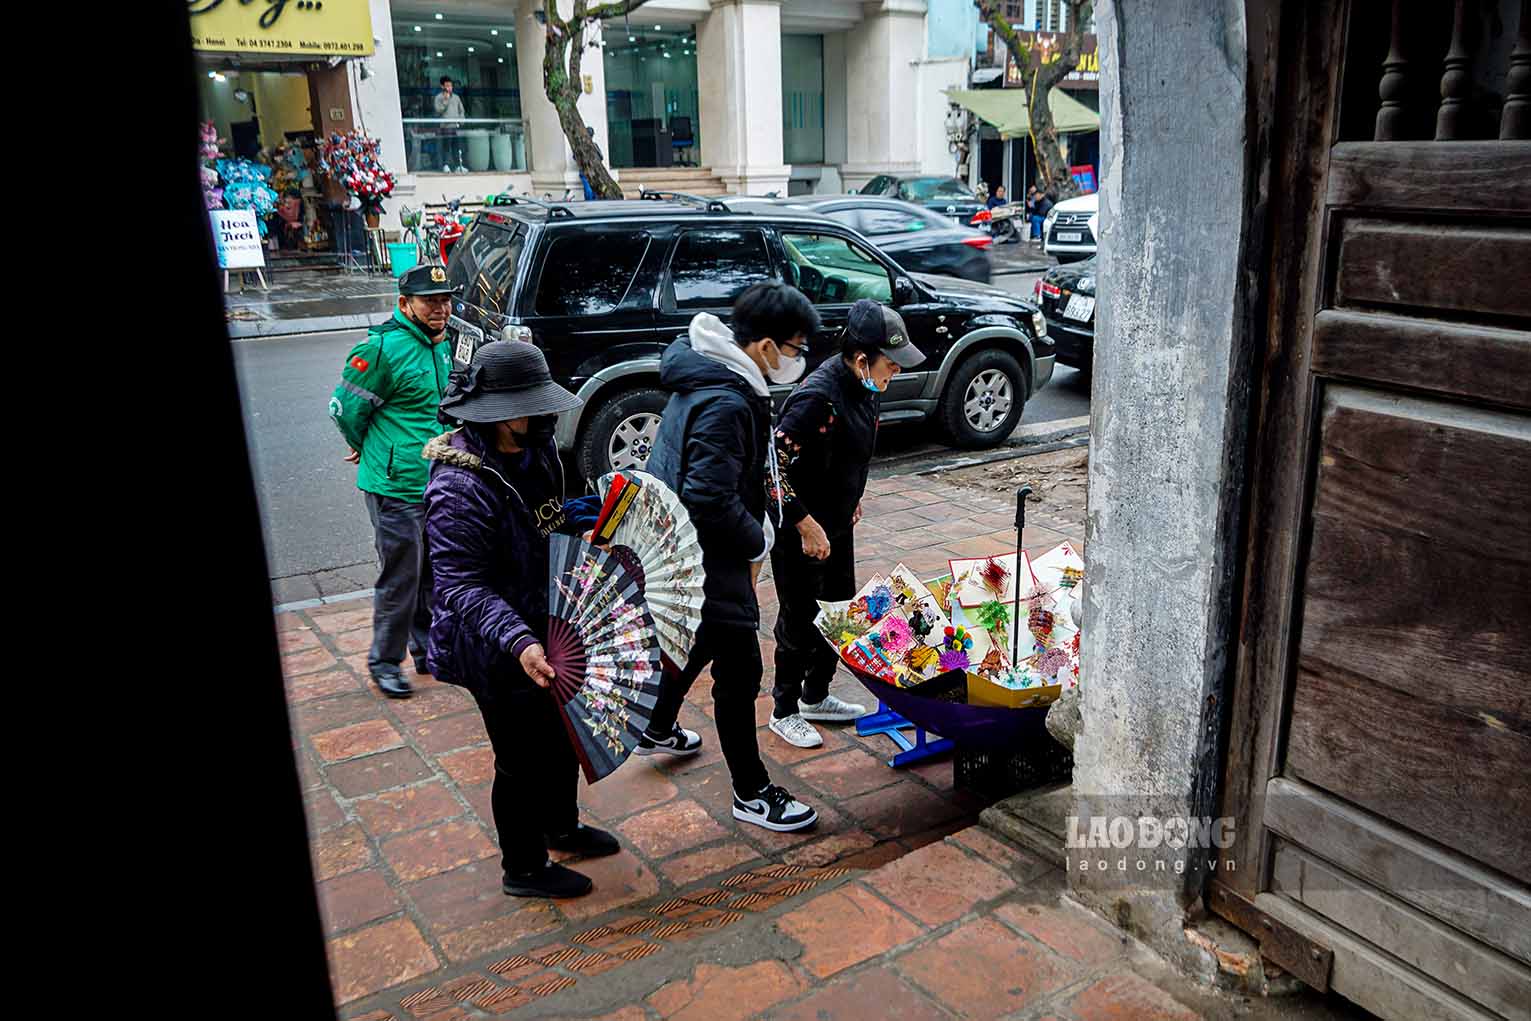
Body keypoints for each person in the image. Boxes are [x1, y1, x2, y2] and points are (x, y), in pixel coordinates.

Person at [421, 340, 614, 899]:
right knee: (520, 757)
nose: (545, 415)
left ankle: (560, 826)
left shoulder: (538, 449)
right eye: (531, 407)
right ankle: (523, 867)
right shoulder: (459, 486)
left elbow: (546, 519)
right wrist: (519, 640)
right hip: (493, 645)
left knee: (559, 737)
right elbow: (459, 585)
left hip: (544, 622)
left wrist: (586, 515)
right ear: (497, 413)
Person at [640, 282, 822, 833]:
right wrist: (756, 541)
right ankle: (751, 791)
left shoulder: (714, 376)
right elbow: (708, 497)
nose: (797, 360)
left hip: (689, 551)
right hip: (709, 553)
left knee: (698, 641)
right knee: (741, 671)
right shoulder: (726, 399)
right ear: (765, 347)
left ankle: (656, 724)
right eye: (793, 349)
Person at [768, 300, 926, 749]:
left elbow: (848, 454)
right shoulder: (817, 399)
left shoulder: (863, 389)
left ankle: (814, 695)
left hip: (836, 521)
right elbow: (770, 470)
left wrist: (851, 498)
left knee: (837, 613)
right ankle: (784, 708)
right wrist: (805, 524)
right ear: (861, 359)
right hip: (800, 529)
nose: (893, 374)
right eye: (890, 366)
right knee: (798, 620)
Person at [328, 265, 457, 699]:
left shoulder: (441, 343)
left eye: (444, 299)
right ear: (405, 304)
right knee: (401, 575)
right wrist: (364, 446)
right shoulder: (381, 349)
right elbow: (344, 409)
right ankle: (385, 662)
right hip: (393, 486)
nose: (440, 308)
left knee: (433, 572)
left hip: (435, 480)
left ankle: (426, 651)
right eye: (430, 301)